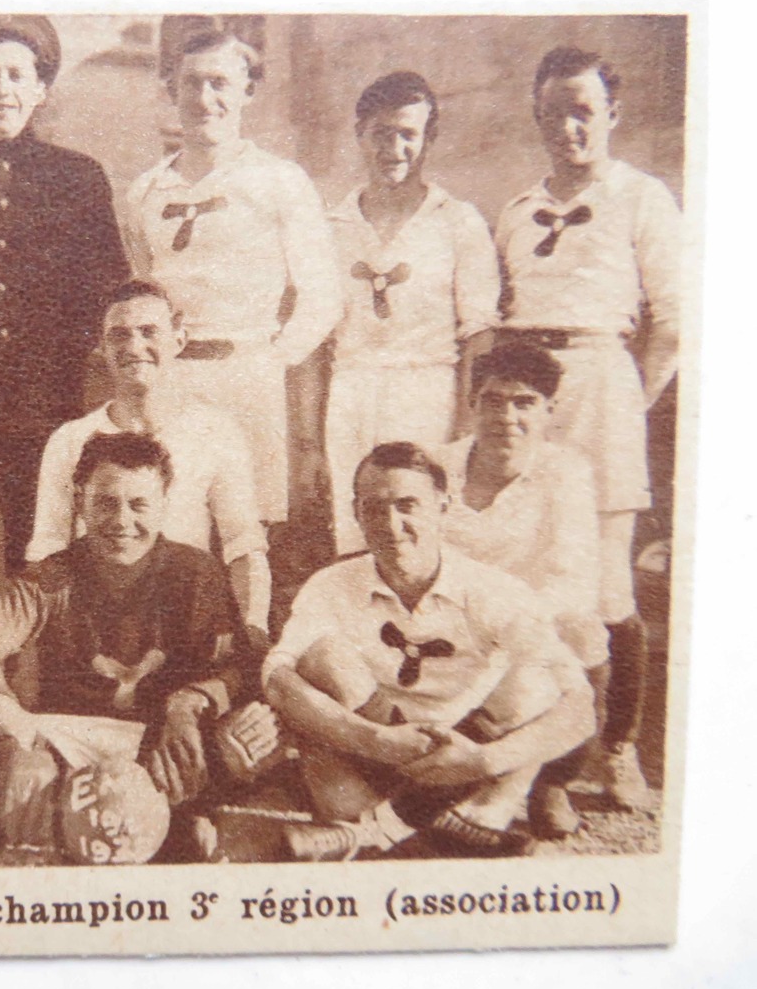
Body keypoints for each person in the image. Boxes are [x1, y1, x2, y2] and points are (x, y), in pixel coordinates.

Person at [0, 432, 278, 855]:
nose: (121, 521)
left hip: (162, 741)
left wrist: (190, 702)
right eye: (105, 502)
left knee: (245, 736)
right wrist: (14, 721)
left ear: (163, 505)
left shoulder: (196, 574)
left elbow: (241, 665)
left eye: (138, 504)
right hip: (71, 739)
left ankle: (158, 817)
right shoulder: (53, 577)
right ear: (80, 502)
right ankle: (155, 825)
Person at [494, 47, 681, 809]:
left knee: (605, 585)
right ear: (537, 117)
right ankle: (543, 764)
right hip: (529, 393)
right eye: (555, 111)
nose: (570, 125)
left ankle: (617, 749)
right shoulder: (512, 210)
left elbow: (671, 324)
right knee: (531, 576)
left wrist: (625, 409)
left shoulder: (643, 199)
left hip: (604, 384)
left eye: (585, 110)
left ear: (613, 115)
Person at [262, 442, 594, 860]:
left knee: (535, 680)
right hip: (369, 749)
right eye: (374, 507)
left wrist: (485, 761)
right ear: (355, 512)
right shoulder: (331, 584)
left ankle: (374, 833)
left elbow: (580, 707)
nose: (390, 523)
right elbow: (276, 679)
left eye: (407, 505)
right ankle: (450, 835)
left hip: (464, 757)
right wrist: (377, 739)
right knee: (319, 657)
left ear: (442, 507)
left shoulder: (494, 591)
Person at [0, 15, 130, 618]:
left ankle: (30, 698)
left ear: (41, 89)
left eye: (18, 74)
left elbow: (107, 290)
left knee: (38, 564)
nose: (2, 89)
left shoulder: (78, 176)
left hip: (46, 408)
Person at [122, 23, 342, 532]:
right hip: (171, 379)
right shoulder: (144, 192)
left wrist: (271, 359)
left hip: (248, 376)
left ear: (248, 90)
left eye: (219, 83)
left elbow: (323, 297)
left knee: (248, 532)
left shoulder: (279, 181)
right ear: (171, 89)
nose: (204, 98)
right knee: (173, 524)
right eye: (191, 83)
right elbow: (144, 289)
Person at [26, 280, 271, 650]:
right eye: (119, 336)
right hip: (93, 630)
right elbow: (46, 550)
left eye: (148, 332)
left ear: (178, 339)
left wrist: (253, 632)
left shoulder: (215, 430)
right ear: (103, 348)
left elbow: (244, 546)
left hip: (183, 623)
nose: (133, 347)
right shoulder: (69, 439)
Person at [325, 72, 501, 555]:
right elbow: (319, 333)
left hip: (427, 391)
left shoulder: (457, 220)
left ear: (429, 139)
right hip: (351, 392)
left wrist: (467, 424)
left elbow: (479, 334)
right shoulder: (333, 225)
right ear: (361, 134)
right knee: (355, 534)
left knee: (418, 533)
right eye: (382, 133)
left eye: (409, 134)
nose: (395, 148)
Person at [437, 343, 608, 837]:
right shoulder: (438, 467)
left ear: (550, 411)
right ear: (472, 404)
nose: (505, 416)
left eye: (524, 402)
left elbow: (575, 580)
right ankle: (484, 788)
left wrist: (508, 621)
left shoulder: (567, 472)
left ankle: (548, 781)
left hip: (531, 630)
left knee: (581, 630)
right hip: (452, 625)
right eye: (492, 400)